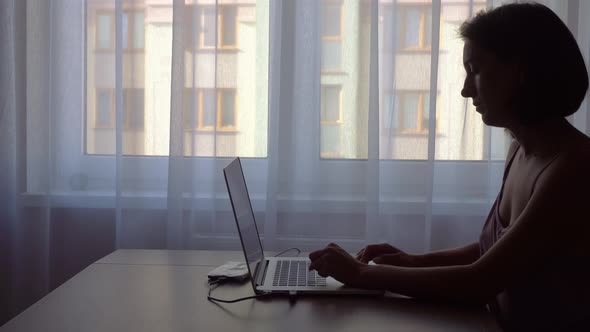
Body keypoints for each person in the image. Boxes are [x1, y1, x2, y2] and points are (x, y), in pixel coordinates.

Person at [308, 3, 590, 331]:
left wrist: (360, 274)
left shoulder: (574, 169)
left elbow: (481, 280)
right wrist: (414, 261)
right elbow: (495, 253)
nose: (465, 89)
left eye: (476, 70)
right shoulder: (521, 152)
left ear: (521, 70)